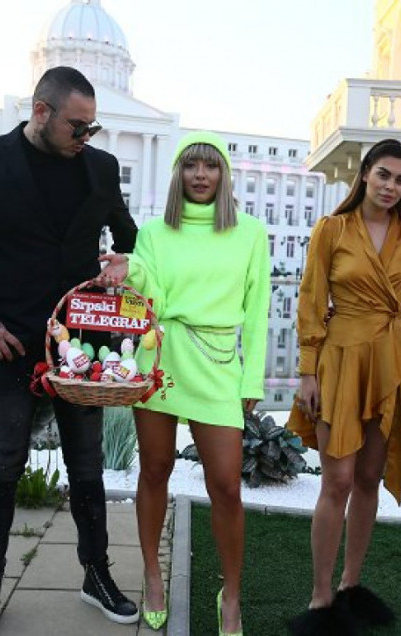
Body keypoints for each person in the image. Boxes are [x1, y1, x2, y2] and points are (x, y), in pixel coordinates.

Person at [0, 66, 140, 636]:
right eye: (77, 126)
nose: (85, 137)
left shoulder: (101, 167)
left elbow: (128, 236)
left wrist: (122, 265)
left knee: (88, 465)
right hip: (11, 344)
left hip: (81, 347)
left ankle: (97, 575)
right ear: (41, 111)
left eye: (92, 128)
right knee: (2, 466)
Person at [99, 130, 270, 635]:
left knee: (227, 485)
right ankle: (153, 575)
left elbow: (258, 310)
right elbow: (148, 294)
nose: (200, 175)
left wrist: (251, 378)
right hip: (161, 357)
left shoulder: (250, 233)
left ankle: (231, 594)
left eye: (210, 165)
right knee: (155, 468)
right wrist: (130, 270)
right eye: (191, 166)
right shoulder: (154, 232)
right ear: (178, 174)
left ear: (224, 174)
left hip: (217, 363)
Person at [286, 139, 401, 636]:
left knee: (369, 478)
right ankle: (321, 597)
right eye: (384, 175)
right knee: (337, 481)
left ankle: (351, 586)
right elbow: (311, 301)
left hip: (389, 361)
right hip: (341, 362)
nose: (391, 186)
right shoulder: (332, 229)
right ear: (366, 174)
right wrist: (307, 371)